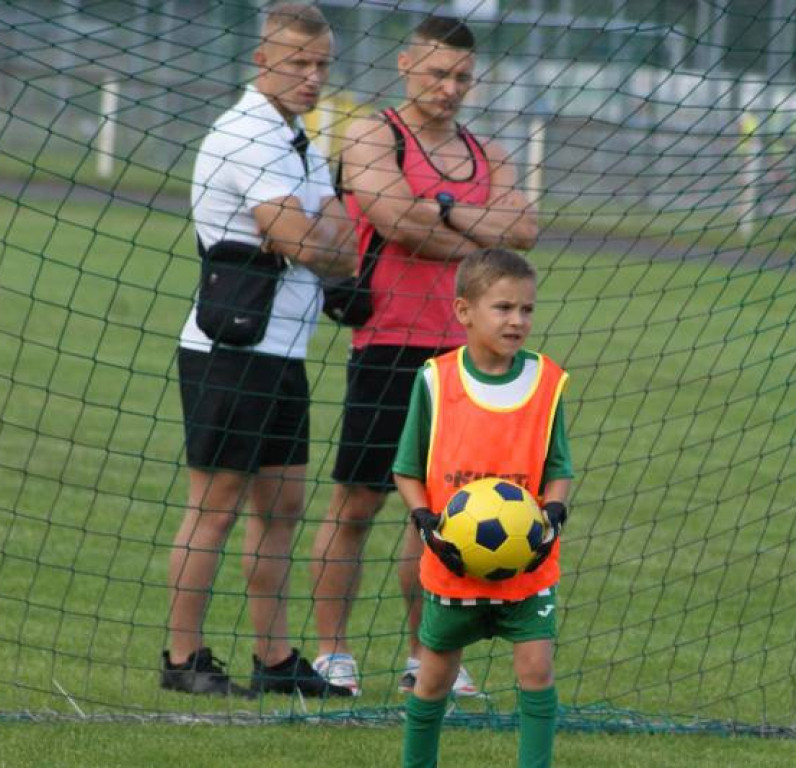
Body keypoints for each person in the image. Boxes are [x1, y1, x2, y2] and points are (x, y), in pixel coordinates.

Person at [310, 15, 538, 696]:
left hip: (461, 360)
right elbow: (392, 217)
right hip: (386, 343)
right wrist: (473, 236)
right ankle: (332, 653)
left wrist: (437, 208)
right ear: (407, 64)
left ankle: (426, 656)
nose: (450, 87)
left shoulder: (487, 150)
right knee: (356, 503)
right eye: (438, 72)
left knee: (445, 515)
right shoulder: (372, 131)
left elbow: (522, 232)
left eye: (463, 77)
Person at [163, 2, 355, 697]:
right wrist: (320, 233)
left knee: (282, 505)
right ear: (262, 61)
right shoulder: (247, 133)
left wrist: (319, 234)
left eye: (322, 65)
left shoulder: (297, 135)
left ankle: (273, 661)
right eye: (298, 62)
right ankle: (183, 658)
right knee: (214, 506)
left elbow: (335, 237)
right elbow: (312, 243)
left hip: (283, 350)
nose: (311, 76)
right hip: (228, 348)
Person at [393, 248, 573, 768]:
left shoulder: (545, 381)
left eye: (527, 310)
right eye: (503, 308)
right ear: (464, 311)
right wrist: (425, 521)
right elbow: (407, 467)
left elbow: (558, 465)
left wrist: (553, 516)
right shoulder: (435, 380)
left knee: (537, 670)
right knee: (432, 679)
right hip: (453, 565)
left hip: (529, 565)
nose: (517, 320)